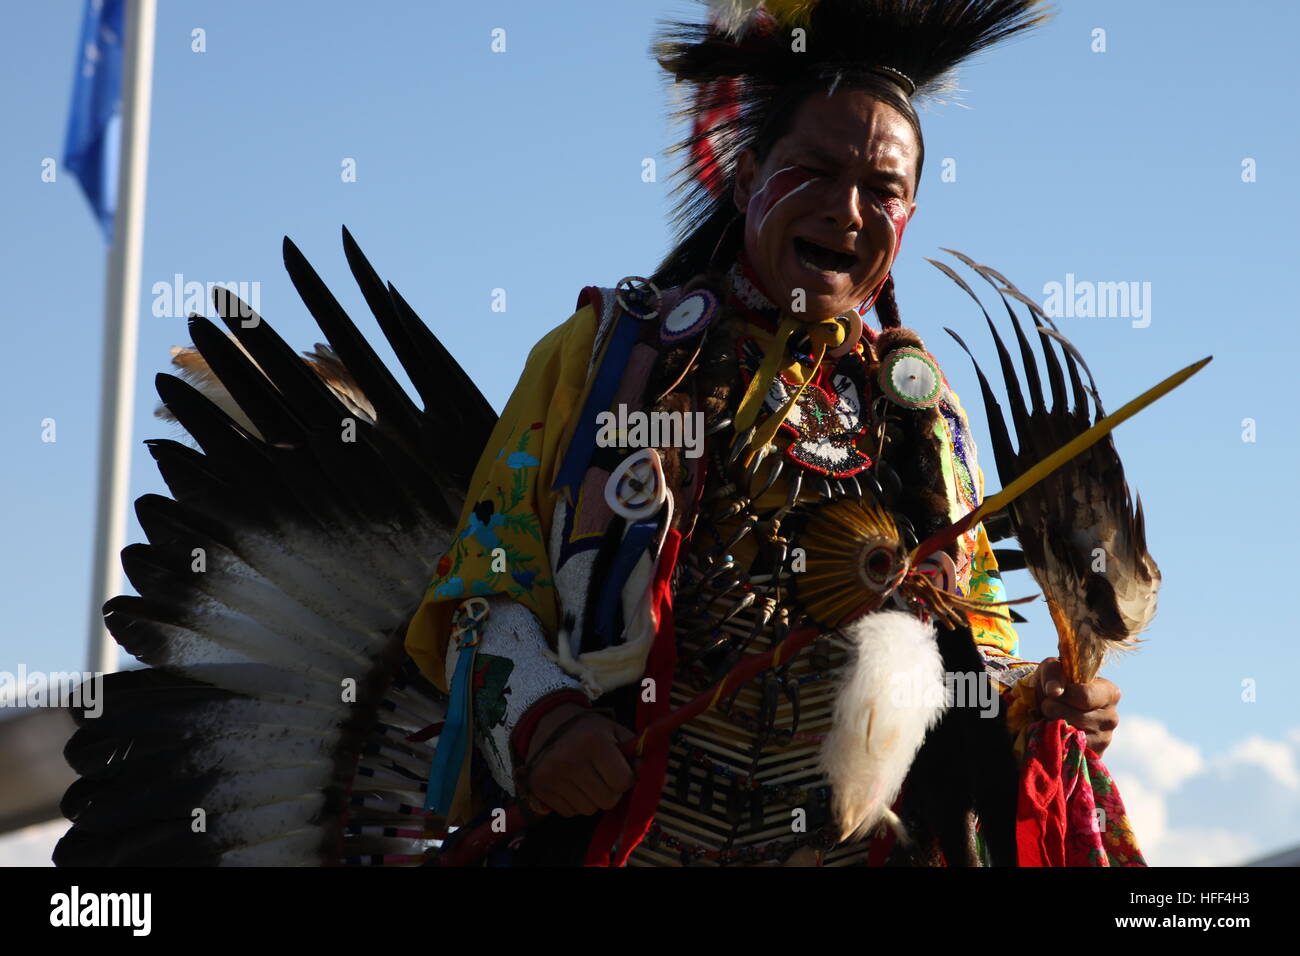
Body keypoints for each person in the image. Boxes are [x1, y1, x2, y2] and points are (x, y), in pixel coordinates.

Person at [404, 0, 1141, 867]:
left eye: (883, 191)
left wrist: (1039, 703)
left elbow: (971, 653)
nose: (847, 211)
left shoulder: (923, 419)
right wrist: (545, 724)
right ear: (749, 174)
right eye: (817, 172)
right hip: (621, 837)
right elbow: (486, 589)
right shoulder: (608, 356)